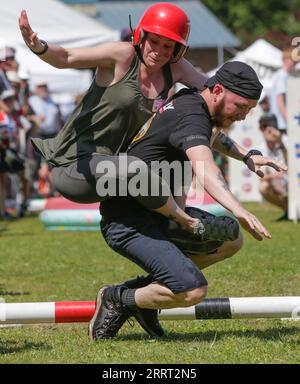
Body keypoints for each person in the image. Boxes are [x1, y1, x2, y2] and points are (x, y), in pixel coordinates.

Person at [88, 61, 288, 340]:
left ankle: (146, 301)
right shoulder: (191, 114)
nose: (243, 116)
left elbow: (211, 137)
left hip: (164, 215)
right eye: (241, 107)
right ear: (218, 90)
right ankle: (118, 299)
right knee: (191, 289)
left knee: (231, 239)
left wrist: (246, 155)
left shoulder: (193, 104)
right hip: (129, 221)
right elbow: (205, 168)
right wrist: (239, 209)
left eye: (248, 110)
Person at [18, 3, 208, 233]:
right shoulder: (122, 54)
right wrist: (39, 46)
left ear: (178, 50)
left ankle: (175, 232)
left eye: (168, 46)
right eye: (154, 41)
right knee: (134, 167)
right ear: (141, 36)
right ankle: (184, 222)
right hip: (76, 169)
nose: (159, 50)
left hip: (118, 172)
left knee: (178, 149)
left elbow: (214, 95)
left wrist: (246, 154)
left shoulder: (176, 68)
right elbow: (67, 56)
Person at [258, 113, 288, 221]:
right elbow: (261, 176)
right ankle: (289, 210)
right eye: (264, 127)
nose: (268, 130)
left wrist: (279, 142)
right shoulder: (261, 148)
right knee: (263, 187)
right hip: (279, 185)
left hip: (293, 182)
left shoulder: (286, 140)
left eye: (270, 126)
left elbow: (292, 163)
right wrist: (274, 177)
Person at [269, 47, 297, 142]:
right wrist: (290, 121)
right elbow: (280, 101)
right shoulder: (282, 76)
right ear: (286, 59)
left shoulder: (283, 76)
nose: (295, 63)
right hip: (281, 123)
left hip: (281, 122)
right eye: (293, 60)